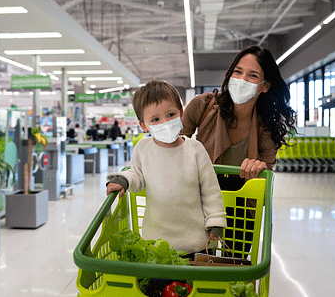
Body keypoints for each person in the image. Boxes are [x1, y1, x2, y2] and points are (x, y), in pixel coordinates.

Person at [106, 80, 227, 255]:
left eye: (171, 114)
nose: (165, 122)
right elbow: (137, 176)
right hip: (156, 242)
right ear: (143, 125)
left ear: (182, 113)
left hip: (197, 242)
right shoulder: (143, 149)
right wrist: (123, 180)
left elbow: (211, 190)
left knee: (195, 283)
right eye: (155, 119)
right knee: (159, 283)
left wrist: (215, 221)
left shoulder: (195, 150)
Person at [180, 45, 296, 190]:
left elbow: (264, 190)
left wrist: (259, 172)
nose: (242, 80)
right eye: (237, 72)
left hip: (240, 205)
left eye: (253, 75)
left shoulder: (267, 129)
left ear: (265, 86)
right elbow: (173, 146)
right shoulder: (203, 105)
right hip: (200, 197)